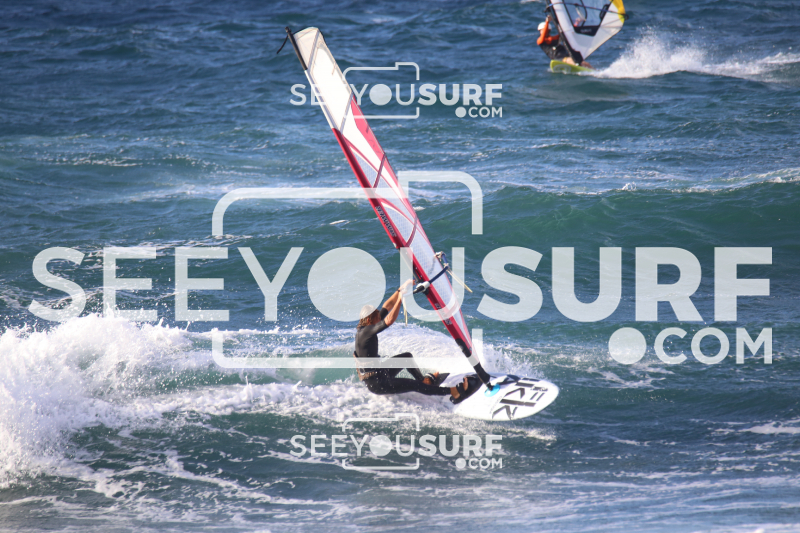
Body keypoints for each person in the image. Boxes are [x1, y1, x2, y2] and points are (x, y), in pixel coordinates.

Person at [355, 279, 470, 400]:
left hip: (380, 373)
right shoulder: (366, 332)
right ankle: (453, 391)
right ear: (369, 320)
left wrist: (400, 289)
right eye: (377, 318)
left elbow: (387, 306)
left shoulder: (366, 327)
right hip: (378, 383)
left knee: (406, 357)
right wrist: (400, 299)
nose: (380, 319)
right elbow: (388, 320)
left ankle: (423, 381)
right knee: (415, 385)